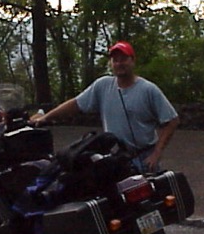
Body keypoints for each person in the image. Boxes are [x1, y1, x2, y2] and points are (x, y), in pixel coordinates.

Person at [30, 41, 179, 173]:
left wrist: (157, 153)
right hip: (116, 157)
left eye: (124, 59)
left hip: (144, 157)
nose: (119, 63)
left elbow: (172, 120)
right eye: (115, 60)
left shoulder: (148, 89)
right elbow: (75, 104)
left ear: (132, 61)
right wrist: (46, 117)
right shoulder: (103, 86)